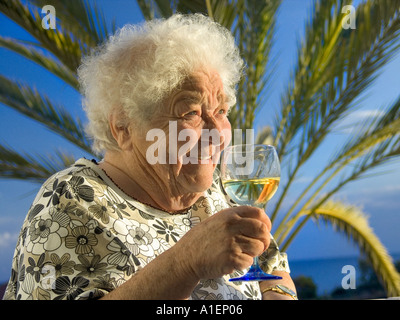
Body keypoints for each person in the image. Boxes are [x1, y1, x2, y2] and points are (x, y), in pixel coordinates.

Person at [3, 13, 296, 300]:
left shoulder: (221, 190)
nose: (218, 132)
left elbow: (271, 262)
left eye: (221, 111)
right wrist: (186, 262)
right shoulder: (71, 200)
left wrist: (277, 292)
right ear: (123, 127)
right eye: (191, 113)